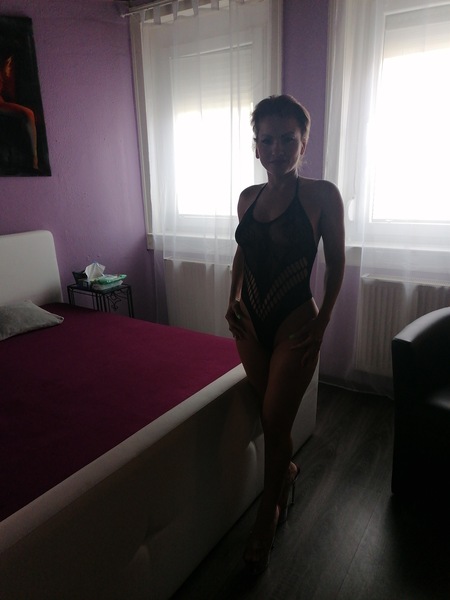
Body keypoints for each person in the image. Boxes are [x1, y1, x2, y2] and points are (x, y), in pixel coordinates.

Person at [225, 94, 345, 574]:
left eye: (287, 140)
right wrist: (233, 296)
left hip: (296, 322)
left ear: (304, 143)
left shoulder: (322, 196)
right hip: (249, 324)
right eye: (267, 140)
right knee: (270, 417)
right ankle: (288, 471)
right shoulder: (247, 198)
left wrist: (323, 322)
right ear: (256, 145)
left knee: (275, 421)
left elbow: (336, 264)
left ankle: (267, 515)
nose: (276, 149)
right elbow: (243, 251)